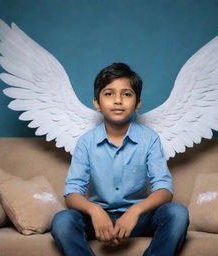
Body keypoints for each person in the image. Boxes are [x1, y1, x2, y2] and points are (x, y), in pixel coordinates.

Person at [51, 63, 189, 256]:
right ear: (97, 103)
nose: (118, 100)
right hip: (98, 220)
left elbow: (164, 189)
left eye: (126, 94)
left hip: (139, 218)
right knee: (62, 221)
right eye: (109, 94)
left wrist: (135, 212)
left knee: (178, 213)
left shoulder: (149, 139)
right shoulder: (86, 142)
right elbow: (72, 192)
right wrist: (94, 211)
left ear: (137, 103)